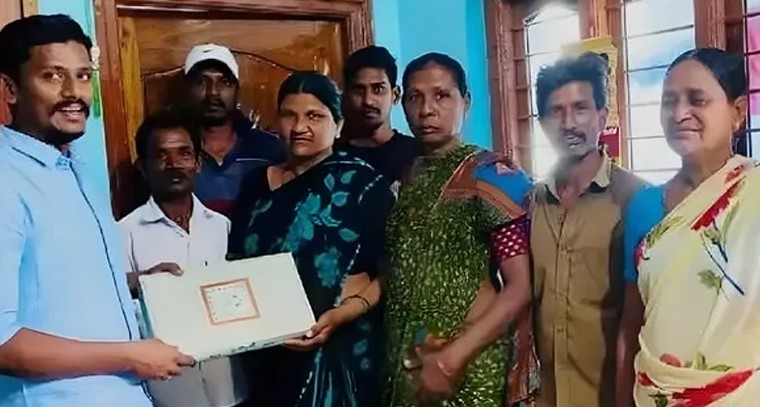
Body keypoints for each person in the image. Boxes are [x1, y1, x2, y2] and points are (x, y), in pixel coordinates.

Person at [0, 14, 193, 406]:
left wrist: (135, 282)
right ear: (10, 89)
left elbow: (53, 279)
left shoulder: (77, 168)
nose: (74, 92)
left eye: (83, 76)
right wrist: (131, 355)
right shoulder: (6, 177)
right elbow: (3, 344)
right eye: (53, 76)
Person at [227, 71, 394, 406]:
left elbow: (391, 270)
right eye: (289, 115)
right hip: (266, 352)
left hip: (341, 347)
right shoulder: (256, 183)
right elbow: (235, 263)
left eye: (314, 116)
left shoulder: (363, 185)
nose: (299, 126)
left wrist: (345, 313)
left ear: (339, 124)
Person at [383, 52, 539, 407]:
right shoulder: (406, 177)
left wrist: (453, 358)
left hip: (468, 364)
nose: (426, 110)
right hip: (409, 361)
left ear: (465, 101)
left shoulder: (492, 174)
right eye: (415, 97)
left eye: (441, 95)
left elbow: (520, 286)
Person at [617, 48, 760, 406]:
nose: (679, 114)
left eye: (697, 100)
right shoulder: (644, 206)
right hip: (654, 395)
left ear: (738, 112)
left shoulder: (755, 194)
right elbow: (631, 326)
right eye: (669, 101)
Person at [530, 52, 645, 407]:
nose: (568, 124)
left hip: (612, 394)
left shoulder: (638, 201)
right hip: (544, 395)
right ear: (542, 123)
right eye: (556, 111)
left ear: (602, 117)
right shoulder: (528, 203)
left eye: (580, 109)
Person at [119, 110, 249, 407]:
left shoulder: (222, 226)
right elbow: (113, 304)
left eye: (184, 153)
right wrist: (141, 281)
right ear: (143, 167)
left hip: (228, 386)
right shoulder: (124, 232)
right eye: (161, 155)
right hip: (167, 391)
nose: (174, 164)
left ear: (198, 163)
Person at [183, 43, 285, 217]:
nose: (213, 92)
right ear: (187, 90)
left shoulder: (270, 150)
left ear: (236, 90)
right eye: (201, 82)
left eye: (224, 82)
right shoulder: (172, 153)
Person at [339, 45, 420, 183]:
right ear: (346, 95)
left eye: (378, 89)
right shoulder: (332, 157)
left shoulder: (417, 154)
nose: (368, 100)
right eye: (359, 90)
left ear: (395, 95)